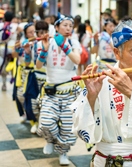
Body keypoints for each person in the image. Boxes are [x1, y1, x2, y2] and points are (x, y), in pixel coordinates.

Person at [70, 20, 132, 167]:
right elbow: (81, 128)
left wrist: (131, 92)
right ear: (117, 53)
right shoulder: (101, 81)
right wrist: (91, 97)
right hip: (105, 161)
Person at [36, 14, 82, 165]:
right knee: (46, 122)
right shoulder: (47, 40)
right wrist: (44, 49)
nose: (68, 28)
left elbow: (77, 60)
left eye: (71, 25)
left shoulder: (73, 42)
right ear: (56, 27)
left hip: (70, 92)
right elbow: (38, 66)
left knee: (68, 128)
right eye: (65, 25)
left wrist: (64, 45)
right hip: (51, 92)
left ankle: (63, 153)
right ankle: (50, 140)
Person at [12, 22, 40, 133]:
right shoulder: (23, 43)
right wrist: (18, 48)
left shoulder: (40, 43)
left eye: (34, 31)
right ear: (26, 34)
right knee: (20, 96)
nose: (33, 33)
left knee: (34, 99)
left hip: (35, 74)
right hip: (23, 73)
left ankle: (36, 122)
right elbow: (14, 55)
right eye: (30, 32)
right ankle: (29, 116)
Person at [0, 12, 22, 91]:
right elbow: (23, 31)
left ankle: (4, 84)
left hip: (2, 49)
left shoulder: (1, 25)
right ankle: (15, 83)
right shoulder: (15, 26)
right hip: (12, 49)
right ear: (12, 18)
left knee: (4, 66)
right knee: (14, 66)